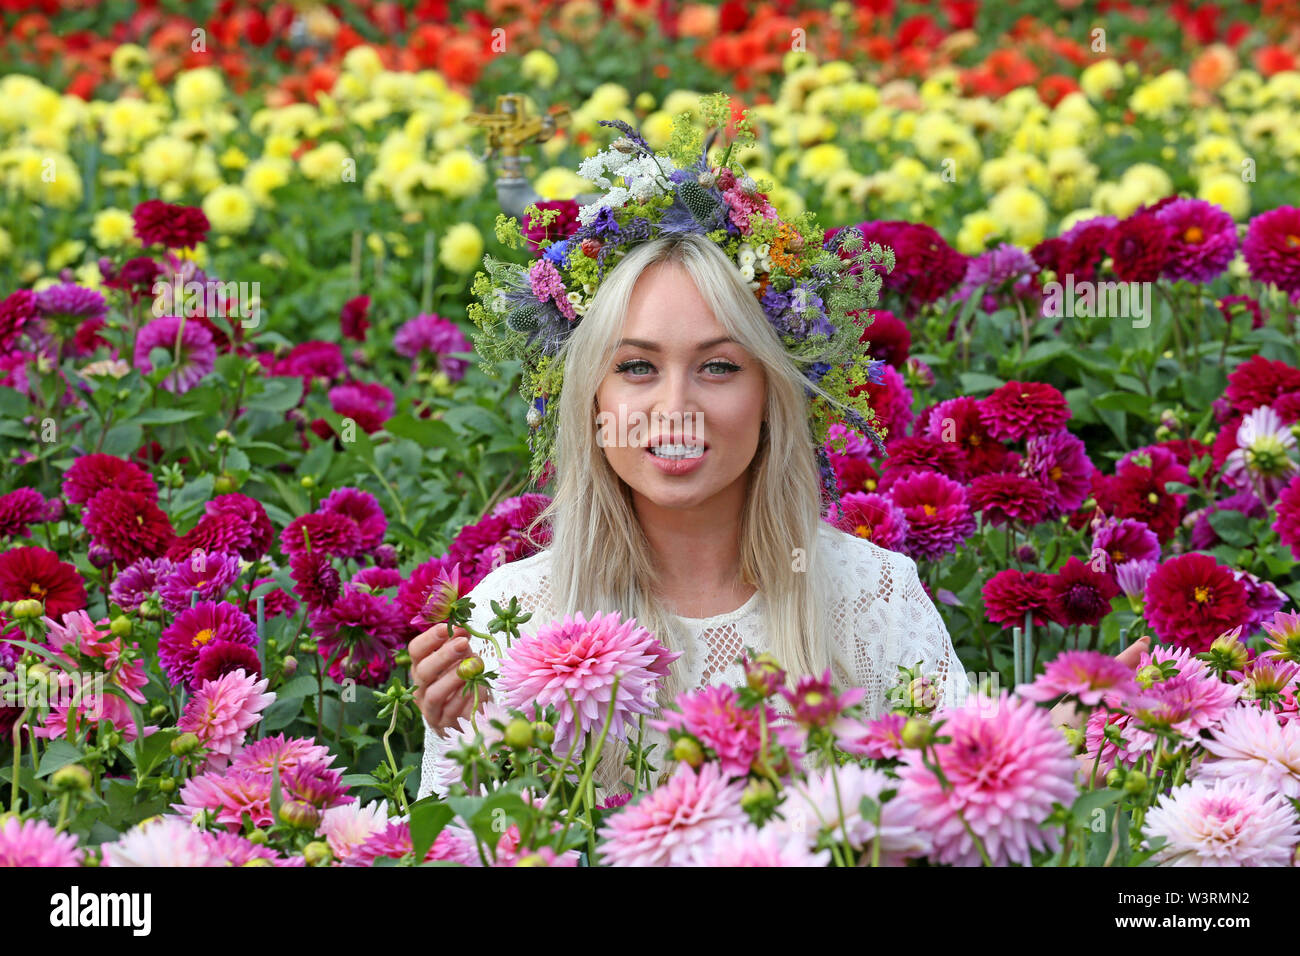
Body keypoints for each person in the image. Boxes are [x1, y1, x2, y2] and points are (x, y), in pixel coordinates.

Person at [410, 231, 974, 800]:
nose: (676, 408)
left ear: (771, 397)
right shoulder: (510, 623)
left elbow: (964, 813)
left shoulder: (874, 599)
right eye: (636, 366)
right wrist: (479, 754)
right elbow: (469, 845)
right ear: (592, 398)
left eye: (719, 367)